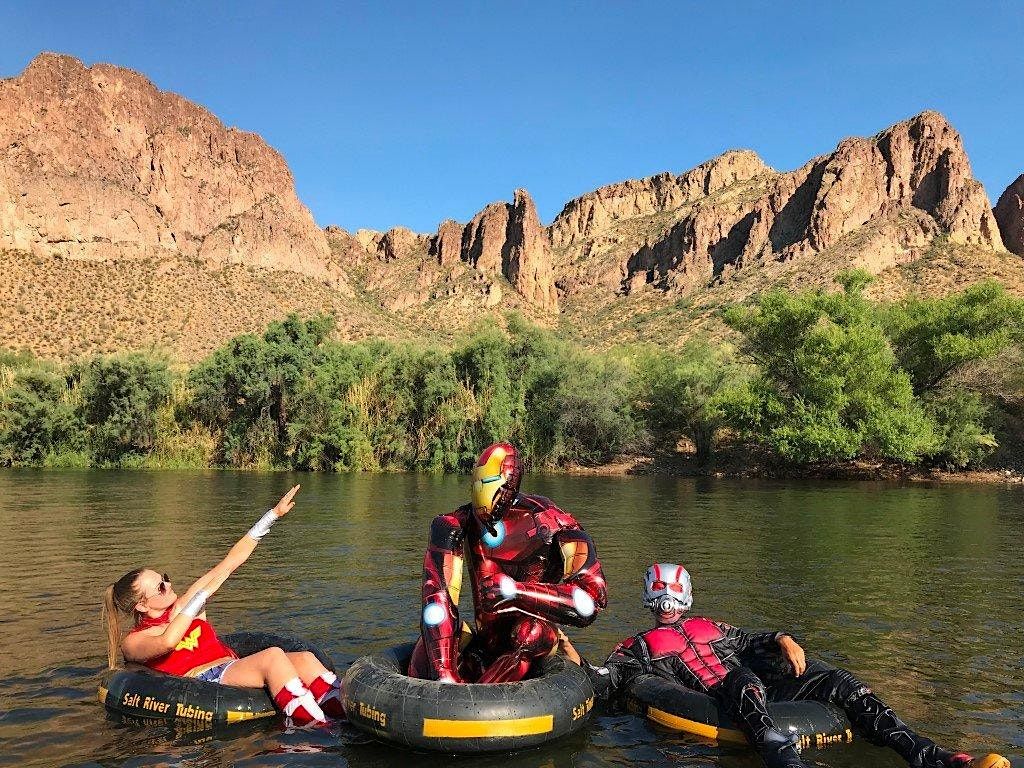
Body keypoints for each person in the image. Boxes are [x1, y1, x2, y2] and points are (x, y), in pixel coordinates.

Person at [578, 563, 1009, 768]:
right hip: (719, 696)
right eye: (660, 599)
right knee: (742, 676)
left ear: (686, 597)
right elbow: (604, 680)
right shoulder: (638, 646)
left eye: (672, 597)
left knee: (840, 680)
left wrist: (784, 638)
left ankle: (930, 756)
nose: (667, 606)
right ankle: (785, 761)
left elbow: (752, 640)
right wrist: (568, 658)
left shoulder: (713, 627)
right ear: (650, 602)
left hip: (762, 692)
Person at [101, 485, 344, 726]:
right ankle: (319, 730)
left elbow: (230, 562)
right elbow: (167, 641)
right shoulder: (134, 641)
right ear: (141, 606)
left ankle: (344, 712)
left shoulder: (184, 604)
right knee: (272, 657)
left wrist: (272, 516)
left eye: (165, 577)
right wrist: (199, 597)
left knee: (305, 658)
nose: (168, 584)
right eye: (160, 586)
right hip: (206, 683)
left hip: (230, 665)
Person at [408, 441, 608, 683]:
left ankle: (479, 702)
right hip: (485, 637)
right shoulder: (454, 524)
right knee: (430, 638)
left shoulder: (550, 521)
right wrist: (444, 675)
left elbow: (591, 600)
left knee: (529, 635)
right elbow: (437, 598)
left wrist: (516, 592)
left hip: (533, 637)